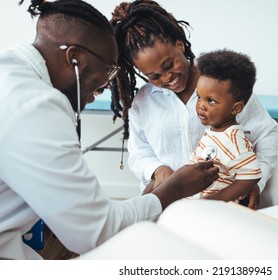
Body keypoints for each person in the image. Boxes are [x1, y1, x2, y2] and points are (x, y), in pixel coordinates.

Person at [0, 0, 218, 260]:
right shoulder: (37, 106)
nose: (104, 86)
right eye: (109, 69)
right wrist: (173, 190)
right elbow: (93, 232)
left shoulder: (11, 75)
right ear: (75, 58)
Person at [110, 0, 278, 207]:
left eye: (169, 65)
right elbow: (139, 153)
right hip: (172, 205)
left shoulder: (222, 84)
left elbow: (266, 134)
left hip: (224, 202)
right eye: (154, 76)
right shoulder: (143, 102)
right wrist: (157, 169)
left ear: (179, 45)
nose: (166, 78)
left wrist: (255, 182)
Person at [188, 49, 262, 209]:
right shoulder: (215, 132)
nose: (201, 105)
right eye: (199, 97)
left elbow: (252, 175)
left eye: (211, 101)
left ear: (236, 108)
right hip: (197, 205)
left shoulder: (232, 139)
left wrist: (217, 199)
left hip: (214, 212)